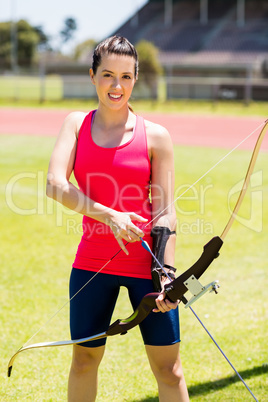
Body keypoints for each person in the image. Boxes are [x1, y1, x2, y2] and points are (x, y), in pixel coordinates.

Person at [46, 35, 189, 402]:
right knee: (83, 361)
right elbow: (54, 184)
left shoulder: (156, 136)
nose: (116, 85)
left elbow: (165, 210)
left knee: (169, 371)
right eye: (108, 74)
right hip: (92, 264)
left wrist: (167, 273)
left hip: (147, 268)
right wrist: (110, 215)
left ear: (135, 79)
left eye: (126, 76)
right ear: (93, 76)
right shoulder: (76, 124)